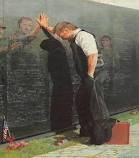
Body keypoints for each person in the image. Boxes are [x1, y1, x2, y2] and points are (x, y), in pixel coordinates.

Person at [36, 13, 114, 143]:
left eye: (62, 35)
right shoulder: (73, 36)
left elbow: (92, 56)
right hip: (88, 76)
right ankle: (87, 131)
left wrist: (89, 77)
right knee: (81, 101)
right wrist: (45, 27)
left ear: (66, 30)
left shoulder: (84, 36)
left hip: (95, 74)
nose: (61, 38)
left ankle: (101, 136)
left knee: (97, 106)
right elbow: (55, 33)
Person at [39, 26, 73, 131]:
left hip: (59, 85)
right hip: (64, 84)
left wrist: (44, 27)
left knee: (58, 104)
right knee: (63, 104)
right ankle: (64, 124)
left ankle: (58, 125)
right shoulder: (59, 50)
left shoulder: (53, 54)